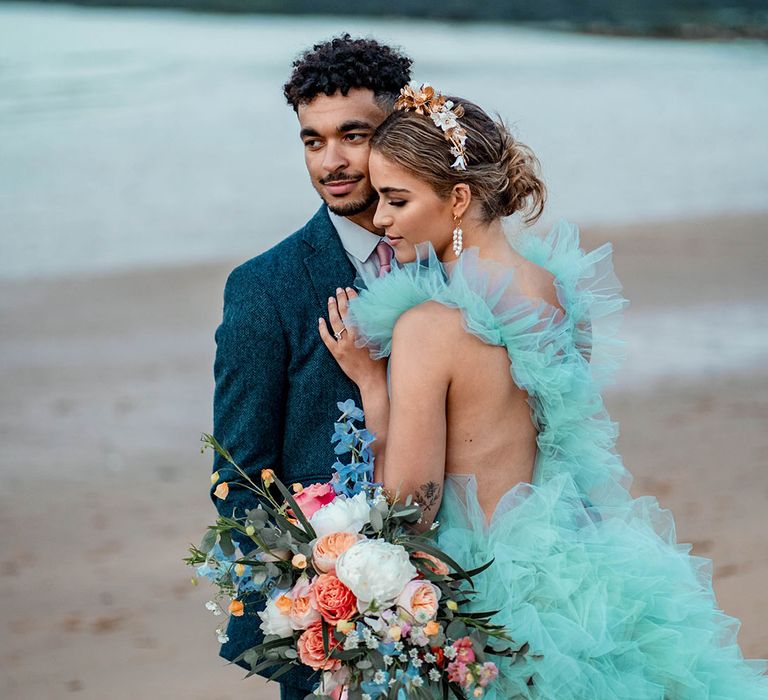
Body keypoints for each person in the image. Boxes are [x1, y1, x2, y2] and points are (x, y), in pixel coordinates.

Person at [320, 83, 768, 697]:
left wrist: (373, 385)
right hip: (572, 567)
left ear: (456, 198)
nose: (381, 219)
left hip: (482, 586)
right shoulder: (556, 291)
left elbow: (411, 506)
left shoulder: (427, 328)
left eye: (396, 200)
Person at [210, 36, 411, 700]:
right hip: (336, 631)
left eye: (353, 136)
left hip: (458, 600)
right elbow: (239, 475)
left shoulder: (446, 264)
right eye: (312, 140)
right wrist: (314, 619)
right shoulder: (264, 288)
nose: (332, 161)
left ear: (399, 130)